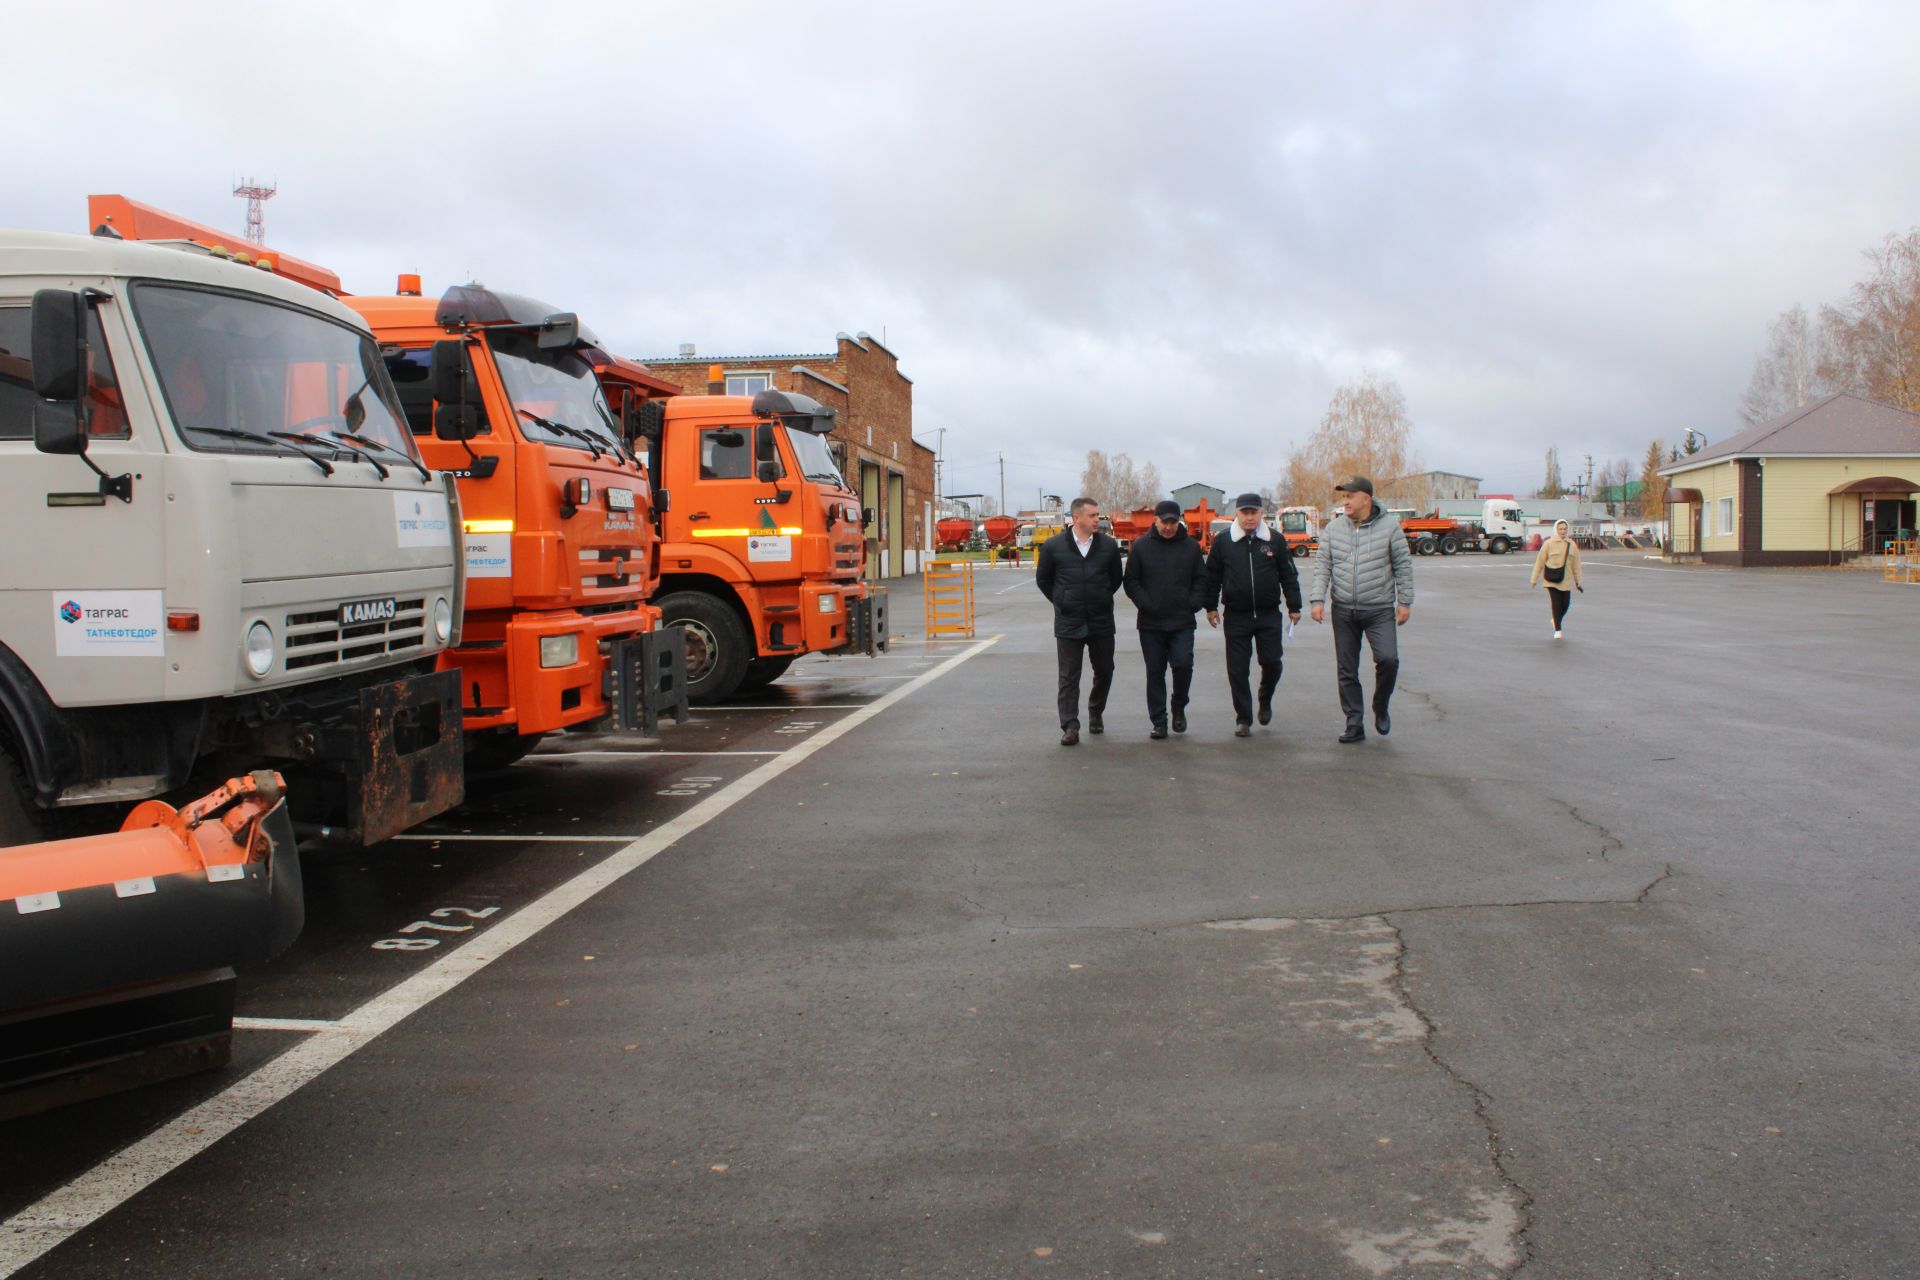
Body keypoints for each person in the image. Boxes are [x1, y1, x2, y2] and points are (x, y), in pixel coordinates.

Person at [1309, 476, 1413, 743]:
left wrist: (1404, 601)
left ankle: (1380, 706)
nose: (1345, 502)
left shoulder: (1390, 527)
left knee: (1388, 660)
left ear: (1365, 498)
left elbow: (1402, 566)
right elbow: (1323, 566)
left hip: (1379, 608)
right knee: (1347, 669)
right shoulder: (1334, 529)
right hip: (1344, 610)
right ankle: (1354, 721)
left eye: (1349, 496)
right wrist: (1317, 600)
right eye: (1343, 497)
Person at [1204, 493, 1302, 738]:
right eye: (1244, 513)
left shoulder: (1275, 541)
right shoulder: (1224, 542)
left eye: (1253, 513)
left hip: (1268, 614)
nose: (1249, 517)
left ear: (1261, 514)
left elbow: (1288, 575)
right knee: (1237, 669)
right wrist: (1211, 606)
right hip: (1237, 615)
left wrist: (1294, 606)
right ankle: (1243, 718)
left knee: (1272, 663)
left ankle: (1265, 696)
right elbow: (1212, 576)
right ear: (1237, 514)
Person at [1036, 495, 1124, 746]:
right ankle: (1070, 726)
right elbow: (1044, 580)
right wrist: (1062, 600)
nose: (1098, 519)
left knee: (1105, 670)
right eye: (1092, 515)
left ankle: (1096, 711)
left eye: (1098, 515)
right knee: (1068, 677)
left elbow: (1115, 579)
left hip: (1101, 621)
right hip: (1069, 622)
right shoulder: (1054, 546)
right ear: (1076, 518)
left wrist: (1102, 597)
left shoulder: (1108, 546)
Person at [1124, 499, 1206, 739]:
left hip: (1182, 620)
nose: (1169, 527)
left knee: (1183, 664)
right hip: (1151, 623)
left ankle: (1179, 705)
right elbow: (1131, 581)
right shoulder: (1141, 546)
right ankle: (1159, 721)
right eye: (1164, 522)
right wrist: (1145, 603)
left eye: (1173, 522)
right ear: (1155, 521)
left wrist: (1193, 604)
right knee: (1155, 671)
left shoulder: (1190, 547)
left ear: (1178, 521)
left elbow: (1201, 579)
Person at [1529, 519, 1584, 639]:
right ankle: (1558, 630)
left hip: (1566, 580)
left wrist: (1578, 581)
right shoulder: (1548, 543)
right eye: (1560, 529)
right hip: (1551, 580)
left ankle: (1556, 620)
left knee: (1566, 604)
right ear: (1556, 530)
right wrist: (1534, 579)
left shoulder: (1572, 545)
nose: (1563, 531)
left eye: (1565, 529)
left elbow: (1576, 565)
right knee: (1556, 603)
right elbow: (1540, 562)